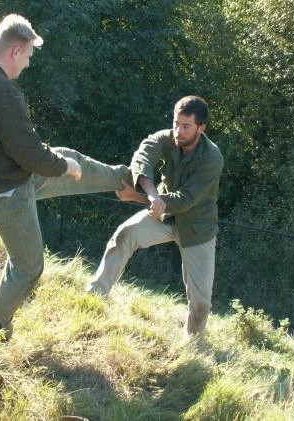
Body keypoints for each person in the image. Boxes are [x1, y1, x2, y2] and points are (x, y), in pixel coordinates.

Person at [0, 14, 131, 340]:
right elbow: (29, 152)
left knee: (71, 157)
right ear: (16, 51)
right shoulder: (0, 90)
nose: (29, 64)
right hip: (4, 194)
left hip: (7, 180)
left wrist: (64, 163)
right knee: (29, 268)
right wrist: (62, 168)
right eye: (29, 55)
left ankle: (126, 181)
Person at [87, 96, 224, 338]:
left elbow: (183, 201)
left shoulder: (212, 159)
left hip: (197, 229)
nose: (177, 131)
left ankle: (193, 345)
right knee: (125, 234)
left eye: (186, 126)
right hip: (163, 217)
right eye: (175, 123)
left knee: (201, 302)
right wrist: (151, 194)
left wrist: (136, 197)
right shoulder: (168, 138)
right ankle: (94, 296)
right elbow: (144, 155)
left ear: (201, 128)